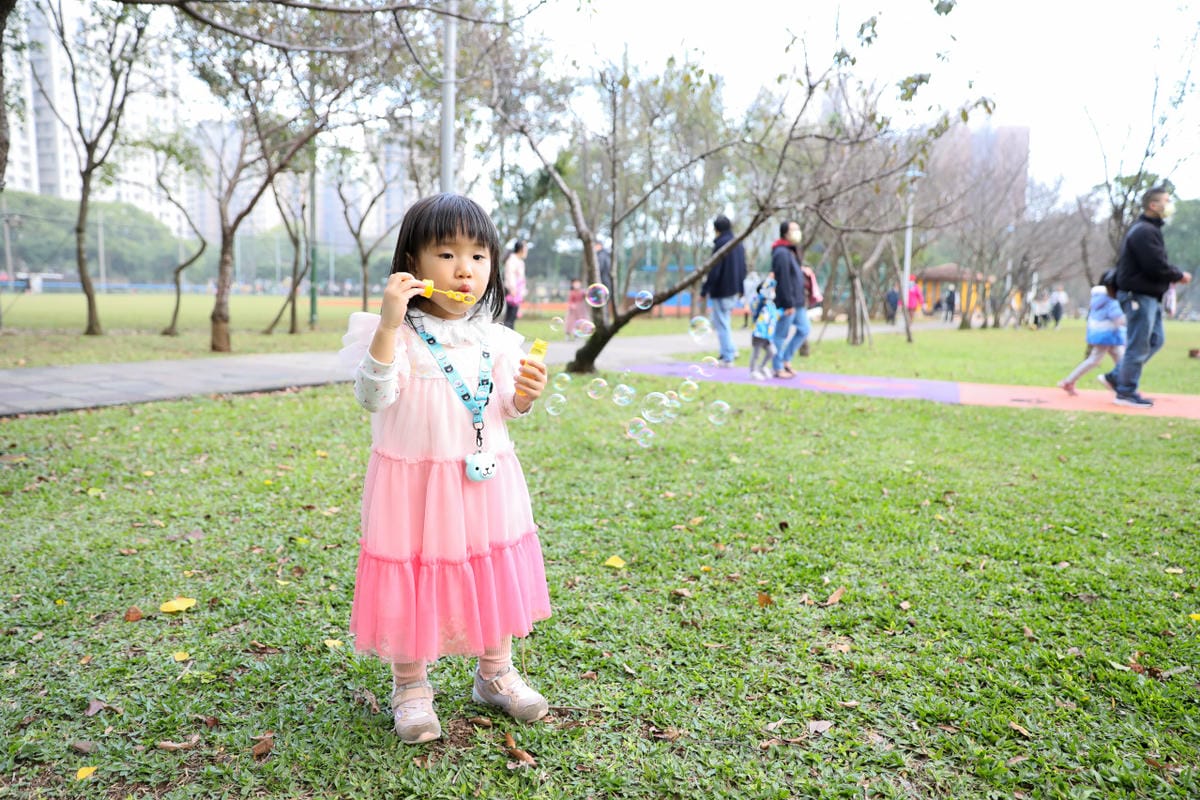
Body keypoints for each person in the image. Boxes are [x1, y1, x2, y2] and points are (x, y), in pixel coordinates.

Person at [339, 194, 552, 744]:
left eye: (479, 257)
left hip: (484, 481)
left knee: (489, 565)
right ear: (411, 262)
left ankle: (495, 672)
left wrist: (524, 397)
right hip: (414, 487)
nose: (465, 270)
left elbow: (503, 406)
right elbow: (373, 395)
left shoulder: (497, 338)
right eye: (448, 254)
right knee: (412, 573)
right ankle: (410, 686)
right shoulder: (394, 336)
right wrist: (388, 324)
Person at [1100, 186, 1193, 407]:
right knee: (1138, 344)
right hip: (1137, 295)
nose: (1170, 205)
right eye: (1166, 201)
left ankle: (1116, 377)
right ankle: (1125, 392)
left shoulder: (1149, 230)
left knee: (1155, 340)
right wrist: (1178, 275)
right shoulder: (1144, 231)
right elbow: (1154, 265)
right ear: (1154, 205)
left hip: (1148, 295)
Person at [1057, 272, 1126, 396]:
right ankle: (1068, 381)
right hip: (1108, 334)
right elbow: (1118, 319)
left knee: (1120, 360)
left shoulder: (1098, 297)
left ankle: (1124, 386)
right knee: (1099, 360)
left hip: (1102, 334)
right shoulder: (1111, 299)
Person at [701, 214, 748, 366]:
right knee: (724, 321)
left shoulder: (721, 244)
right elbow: (743, 268)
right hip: (734, 290)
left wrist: (705, 289)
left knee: (721, 323)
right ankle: (731, 350)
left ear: (716, 229)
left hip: (721, 291)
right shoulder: (738, 244)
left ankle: (728, 356)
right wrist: (741, 289)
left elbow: (714, 270)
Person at [769, 220, 809, 378]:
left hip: (798, 301)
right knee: (780, 334)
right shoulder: (781, 252)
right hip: (788, 301)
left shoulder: (791, 251)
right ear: (785, 232)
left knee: (804, 329)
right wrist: (787, 303)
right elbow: (783, 279)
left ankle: (786, 360)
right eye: (794, 229)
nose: (798, 232)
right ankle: (777, 368)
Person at [748, 275, 779, 380]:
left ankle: (762, 367)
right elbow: (756, 307)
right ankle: (753, 371)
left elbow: (774, 315)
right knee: (756, 353)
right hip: (759, 333)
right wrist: (765, 289)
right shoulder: (760, 302)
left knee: (772, 351)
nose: (774, 291)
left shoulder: (771, 304)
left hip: (768, 335)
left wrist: (784, 311)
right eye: (772, 289)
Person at [502, 239, 528, 329]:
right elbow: (510, 275)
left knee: (513, 317)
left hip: (517, 293)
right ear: (520, 249)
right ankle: (508, 337)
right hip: (511, 292)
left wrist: (522, 292)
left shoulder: (520, 262)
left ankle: (510, 336)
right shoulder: (512, 260)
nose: (526, 250)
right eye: (525, 248)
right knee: (510, 317)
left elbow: (521, 279)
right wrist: (512, 289)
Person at [593, 240, 613, 322]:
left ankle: (603, 321)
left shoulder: (601, 255)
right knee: (604, 303)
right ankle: (605, 321)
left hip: (602, 283)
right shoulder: (606, 255)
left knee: (601, 304)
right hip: (606, 283)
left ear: (599, 245)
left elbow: (599, 269)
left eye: (595, 246)